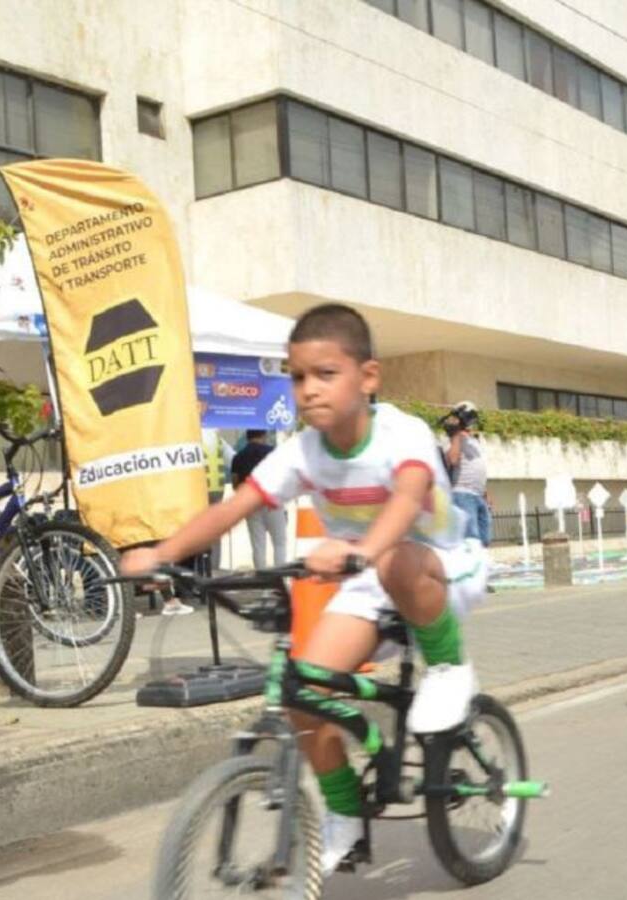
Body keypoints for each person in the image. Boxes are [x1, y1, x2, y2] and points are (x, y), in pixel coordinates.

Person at [120, 303, 487, 876]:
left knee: (394, 559)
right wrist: (165, 555)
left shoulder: (401, 433)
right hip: (367, 579)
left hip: (440, 567)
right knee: (301, 696)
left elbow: (409, 496)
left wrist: (361, 551)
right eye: (296, 377)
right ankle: (343, 819)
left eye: (325, 374)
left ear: (368, 377)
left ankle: (449, 668)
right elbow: (235, 506)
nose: (308, 390)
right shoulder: (302, 451)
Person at [230, 430, 288, 568]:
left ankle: (262, 580)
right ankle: (279, 578)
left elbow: (235, 484)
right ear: (264, 435)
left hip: (251, 504)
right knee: (279, 543)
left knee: (258, 545)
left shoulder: (238, 457)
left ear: (247, 437)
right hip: (272, 500)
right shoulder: (273, 452)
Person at [443, 402, 491, 547]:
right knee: (471, 540)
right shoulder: (454, 439)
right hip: (463, 494)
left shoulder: (473, 440)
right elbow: (452, 459)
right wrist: (456, 434)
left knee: (485, 539)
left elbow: (477, 467)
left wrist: (485, 493)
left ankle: (480, 567)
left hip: (478, 495)